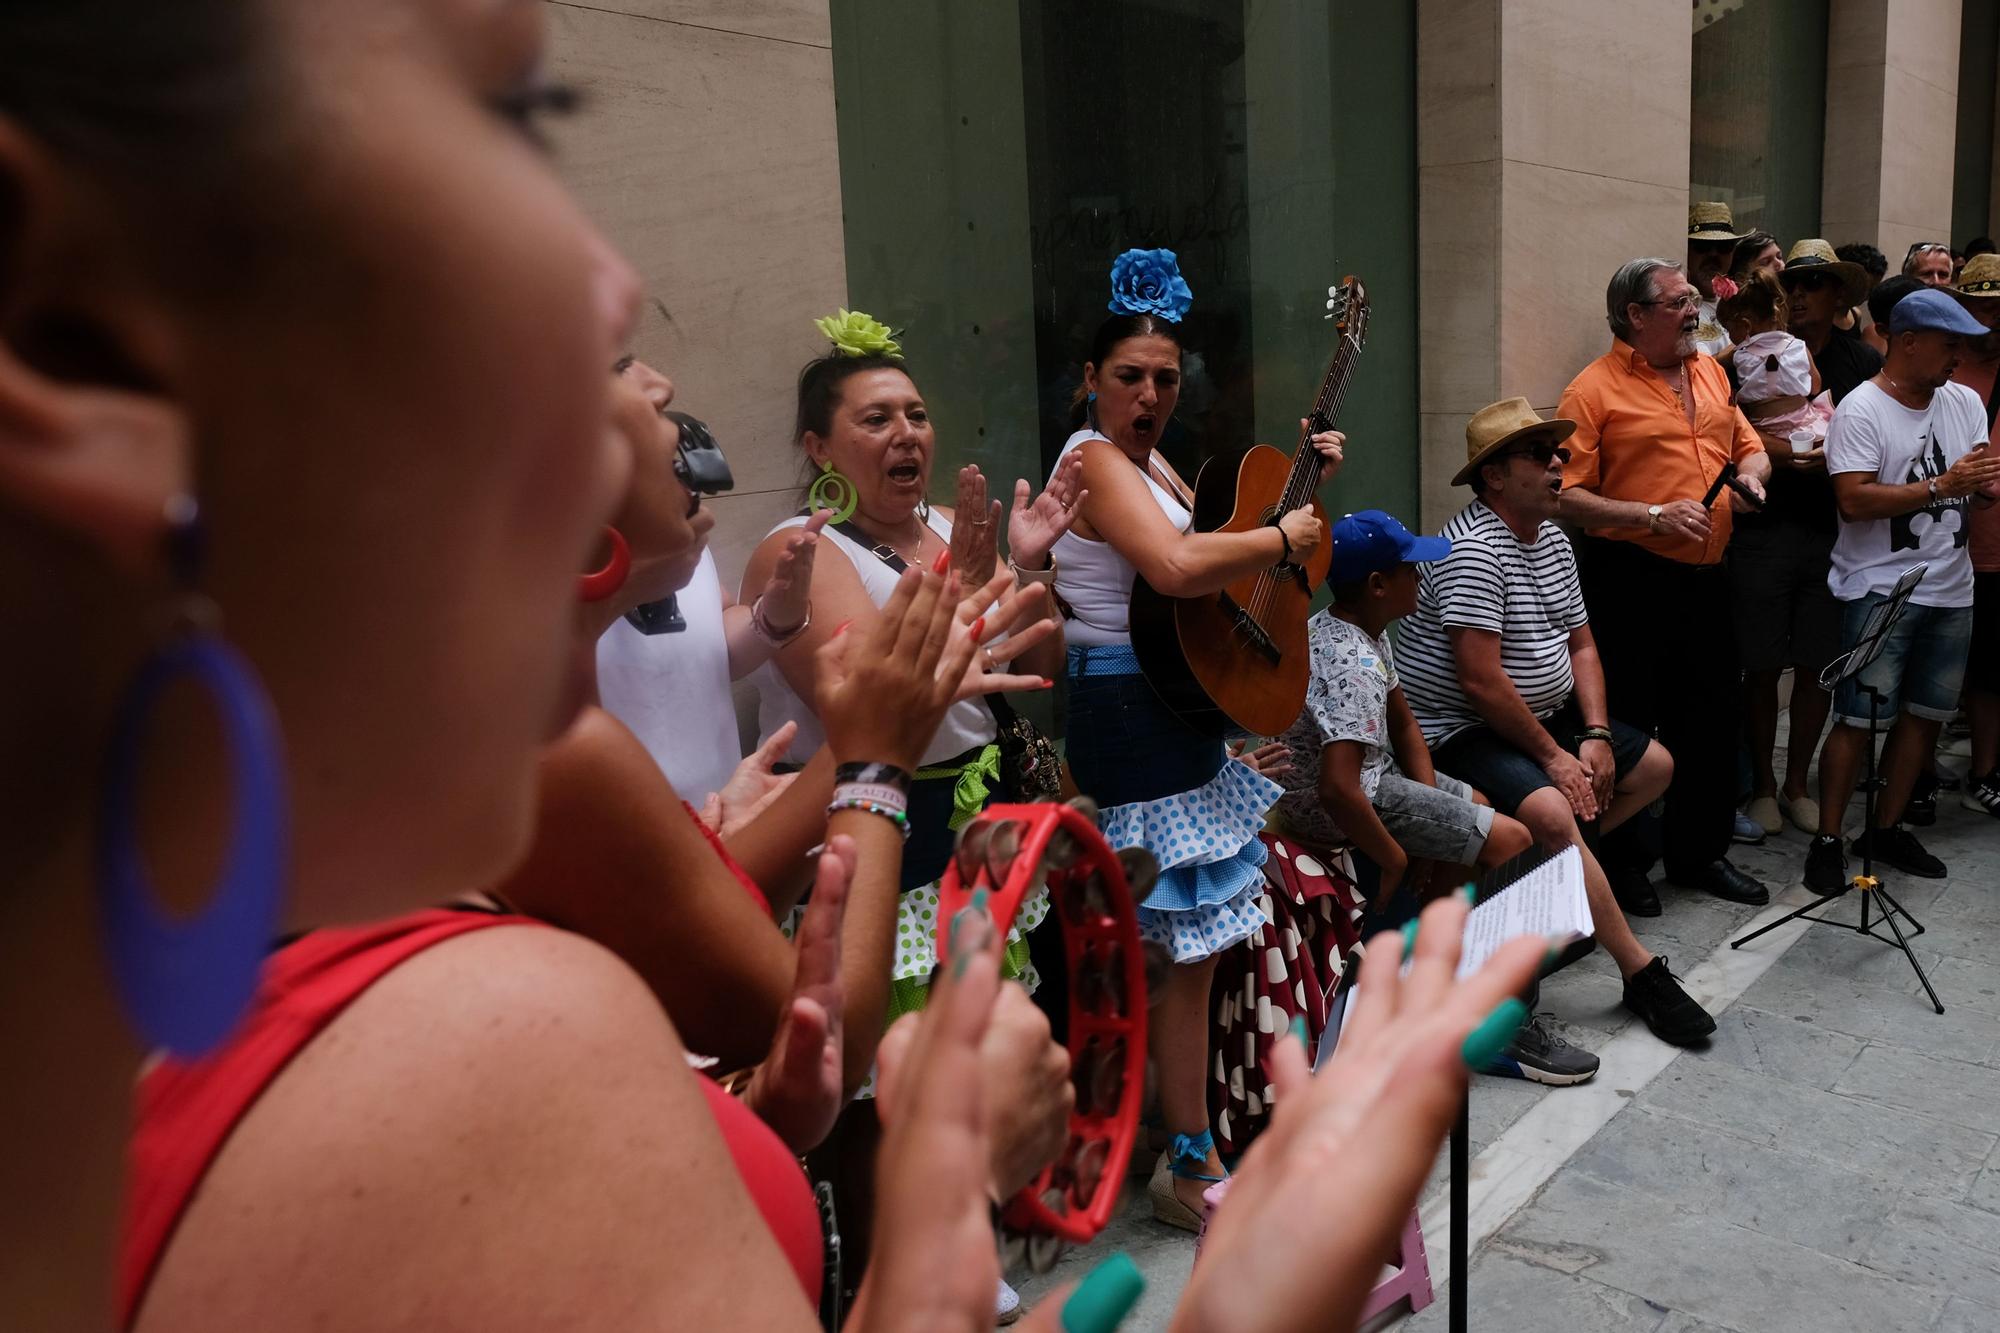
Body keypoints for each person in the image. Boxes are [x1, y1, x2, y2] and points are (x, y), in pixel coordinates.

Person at [0, 5, 1561, 1332]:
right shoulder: (470, 1050)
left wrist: (845, 1188)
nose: (618, 298)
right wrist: (1255, 1294)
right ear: (81, 351)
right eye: (505, 123)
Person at [1051, 247, 1343, 1230]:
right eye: (1127, 376)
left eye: (1165, 379)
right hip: (1121, 712)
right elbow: (1176, 565)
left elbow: (1212, 571)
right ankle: (1185, 1159)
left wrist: (1296, 504)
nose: (1147, 393)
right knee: (1179, 951)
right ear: (1088, 382)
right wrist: (1280, 538)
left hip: (1164, 707)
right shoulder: (1091, 459)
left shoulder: (1152, 462)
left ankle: (1170, 1139)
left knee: (1182, 951)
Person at [747, 313, 1077, 1020]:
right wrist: (963, 580)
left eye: (917, 415)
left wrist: (1029, 564)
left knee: (982, 1043)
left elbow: (1046, 661)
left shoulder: (946, 526)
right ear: (820, 447)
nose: (907, 432)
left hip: (970, 815)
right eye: (876, 418)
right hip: (861, 826)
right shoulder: (797, 550)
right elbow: (873, 699)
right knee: (873, 1068)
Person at [1398, 399, 1715, 1053]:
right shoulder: (1472, 550)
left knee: (1654, 765)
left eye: (1557, 453)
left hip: (1537, 715)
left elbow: (1583, 647)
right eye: (1539, 455)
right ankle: (1638, 967)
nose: (1557, 464)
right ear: (1493, 476)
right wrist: (1557, 758)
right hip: (1459, 727)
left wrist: (1595, 734)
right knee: (1551, 810)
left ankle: (1557, 895)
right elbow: (1480, 683)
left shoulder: (1549, 537)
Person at [1272, 511, 1592, 1083]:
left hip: (1378, 776)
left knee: (1479, 807)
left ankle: (1428, 969)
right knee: (1514, 840)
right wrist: (1398, 856)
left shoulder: (1362, 627)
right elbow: (1339, 787)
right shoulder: (1352, 660)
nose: (1422, 579)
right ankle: (1490, 1019)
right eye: (1410, 570)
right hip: (1339, 802)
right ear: (1377, 585)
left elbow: (1405, 723)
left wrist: (1435, 824)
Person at [1556, 259, 1772, 907]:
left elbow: (1748, 443)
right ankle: (1622, 865)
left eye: (1694, 301)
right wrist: (1649, 515)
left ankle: (1698, 854)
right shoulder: (1590, 391)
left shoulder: (1708, 367)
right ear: (1636, 315)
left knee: (1710, 717)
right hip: (1631, 580)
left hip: (1709, 579)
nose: (1695, 313)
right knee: (1630, 723)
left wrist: (1755, 478)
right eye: (1680, 302)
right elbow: (1565, 496)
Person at [1804, 288, 2000, 894]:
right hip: (1880, 590)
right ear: (1908, 342)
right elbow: (1854, 499)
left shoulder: (1963, 399)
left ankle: (1884, 829)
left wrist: (1979, 486)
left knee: (1926, 717)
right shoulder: (1861, 410)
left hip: (1952, 587)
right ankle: (1830, 838)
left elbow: (1974, 479)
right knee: (1859, 720)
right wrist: (1945, 485)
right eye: (1949, 346)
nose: (1957, 359)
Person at [594, 359, 826, 813]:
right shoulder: (526, 572)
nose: (662, 384)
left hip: (721, 810)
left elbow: (715, 649)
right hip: (612, 839)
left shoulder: (679, 540)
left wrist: (772, 616)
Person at [1726, 241, 1881, 838]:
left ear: (1838, 295)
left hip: (1833, 533)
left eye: (1814, 284)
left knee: (1819, 664)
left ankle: (1798, 784)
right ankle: (1763, 785)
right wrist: (1782, 455)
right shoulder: (1736, 358)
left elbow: (1876, 434)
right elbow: (1722, 433)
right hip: (1760, 533)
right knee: (1761, 666)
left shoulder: (1860, 361)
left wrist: (1832, 455)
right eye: (1791, 283)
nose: (1798, 294)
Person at [1951, 256, 2000, 815]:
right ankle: (1916, 777)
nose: (1991, 320)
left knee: (1993, 667)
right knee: (1959, 669)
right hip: (1954, 544)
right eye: (1982, 307)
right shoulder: (1945, 368)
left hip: (1992, 544)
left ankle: (1988, 769)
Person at [1718, 271, 1831, 446]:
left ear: (1746, 326)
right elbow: (1815, 387)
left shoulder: (1739, 356)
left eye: (1728, 329)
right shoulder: (1799, 346)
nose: (1729, 336)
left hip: (1764, 430)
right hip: (1805, 426)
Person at [1686, 202, 1748, 359]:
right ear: (1687, 250)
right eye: (1703, 246)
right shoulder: (1680, 307)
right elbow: (1697, 370)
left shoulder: (1741, 302)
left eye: (1723, 246)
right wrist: (1749, 343)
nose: (1713, 255)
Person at [1836, 241, 1890, 353]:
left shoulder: (1855, 314)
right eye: (1864, 288)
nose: (1867, 296)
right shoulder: (1823, 314)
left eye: (1871, 290)